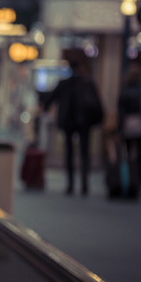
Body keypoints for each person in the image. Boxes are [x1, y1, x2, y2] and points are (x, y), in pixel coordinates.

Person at [46, 60, 102, 196]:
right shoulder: (87, 83)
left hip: (68, 122)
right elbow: (97, 103)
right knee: (84, 152)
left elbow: (50, 98)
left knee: (69, 153)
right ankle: (84, 183)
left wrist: (45, 107)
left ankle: (70, 184)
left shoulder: (65, 83)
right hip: (84, 123)